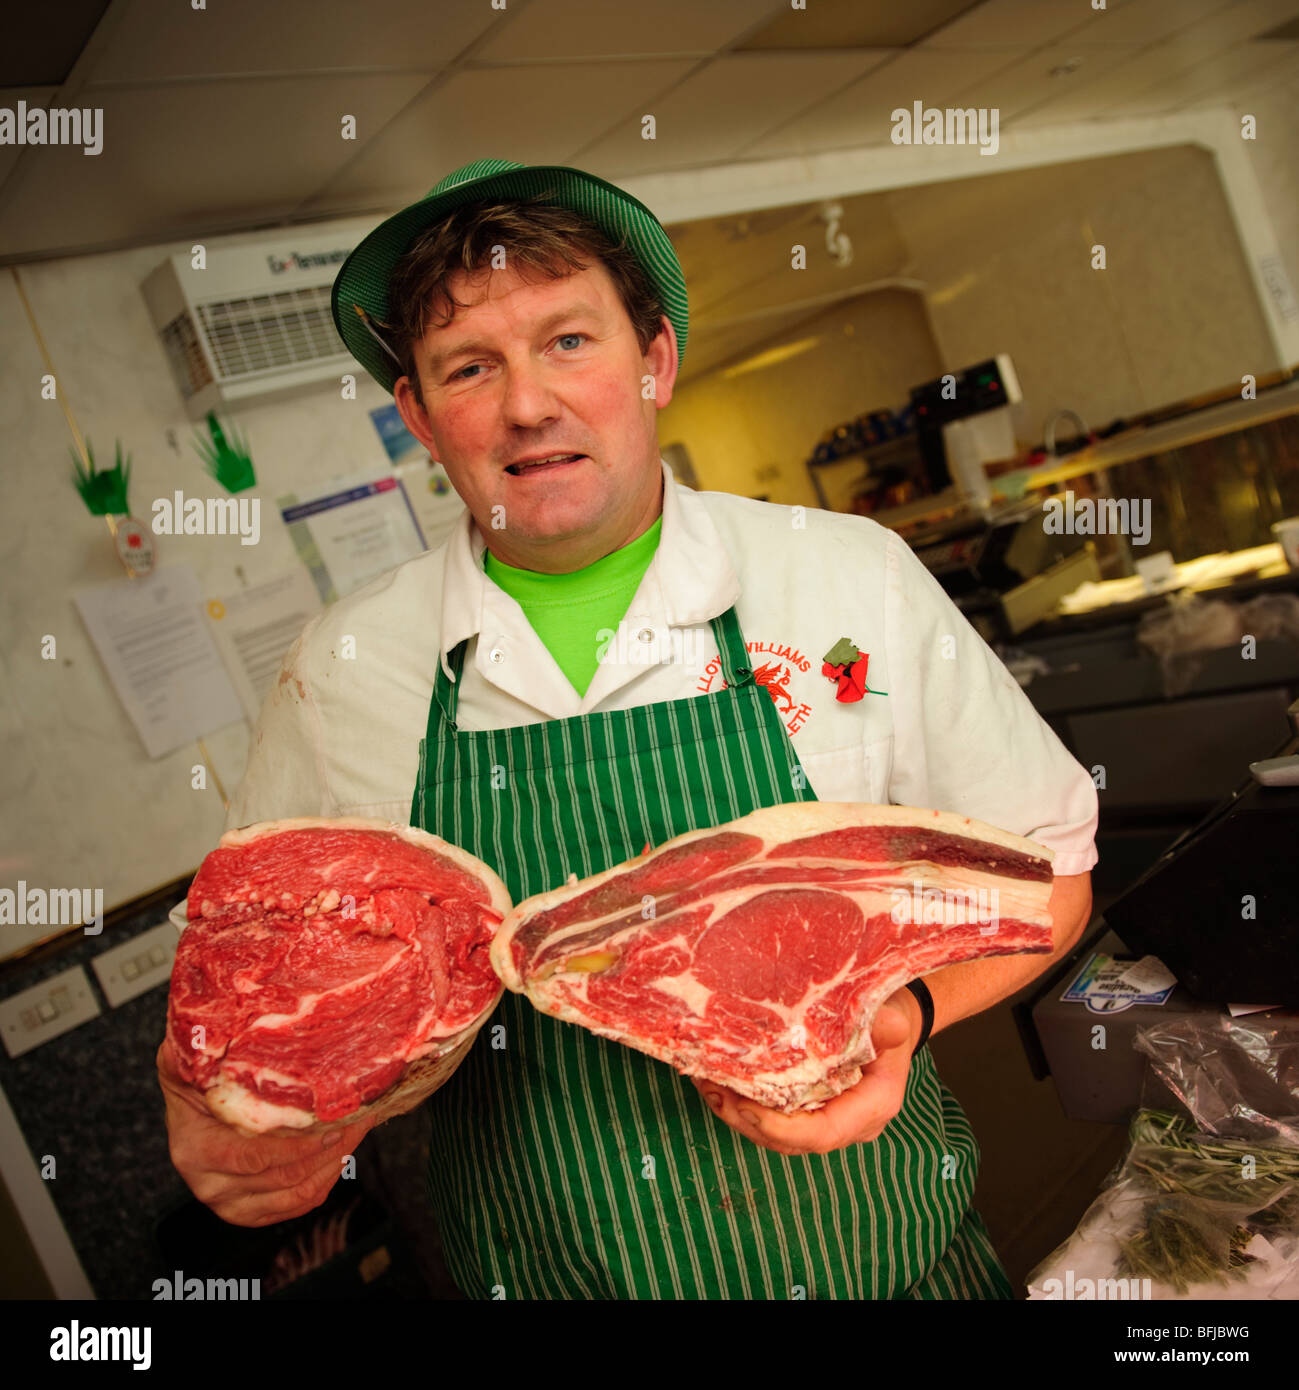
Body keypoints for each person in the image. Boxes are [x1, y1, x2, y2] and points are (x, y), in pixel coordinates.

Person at [160, 158, 1096, 1299]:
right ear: (415, 415)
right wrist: (246, 1123)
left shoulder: (849, 577)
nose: (527, 404)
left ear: (653, 360)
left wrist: (906, 1010)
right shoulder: (345, 670)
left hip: (889, 1266)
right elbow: (259, 981)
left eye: (569, 341)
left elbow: (1047, 877)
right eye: (468, 367)